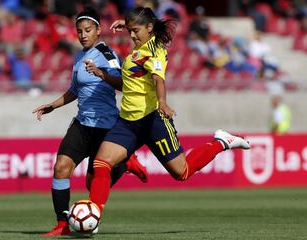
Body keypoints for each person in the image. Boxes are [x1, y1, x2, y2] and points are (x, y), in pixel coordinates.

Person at [87, 7, 251, 229]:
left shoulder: (155, 50)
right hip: (127, 122)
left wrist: (163, 102)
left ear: (149, 28)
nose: (133, 35)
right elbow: (126, 85)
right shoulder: (136, 49)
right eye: (130, 31)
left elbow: (158, 80)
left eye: (136, 31)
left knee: (181, 172)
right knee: (100, 163)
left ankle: (222, 142)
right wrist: (102, 74)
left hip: (153, 120)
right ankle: (93, 217)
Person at [32, 7, 148, 237]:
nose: (83, 35)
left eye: (88, 30)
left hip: (106, 127)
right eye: (79, 31)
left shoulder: (106, 55)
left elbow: (124, 84)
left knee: (90, 184)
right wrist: (52, 105)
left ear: (98, 31)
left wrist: (102, 74)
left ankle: (124, 164)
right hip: (83, 124)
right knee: (61, 168)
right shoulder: (79, 57)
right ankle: (62, 224)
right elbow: (75, 90)